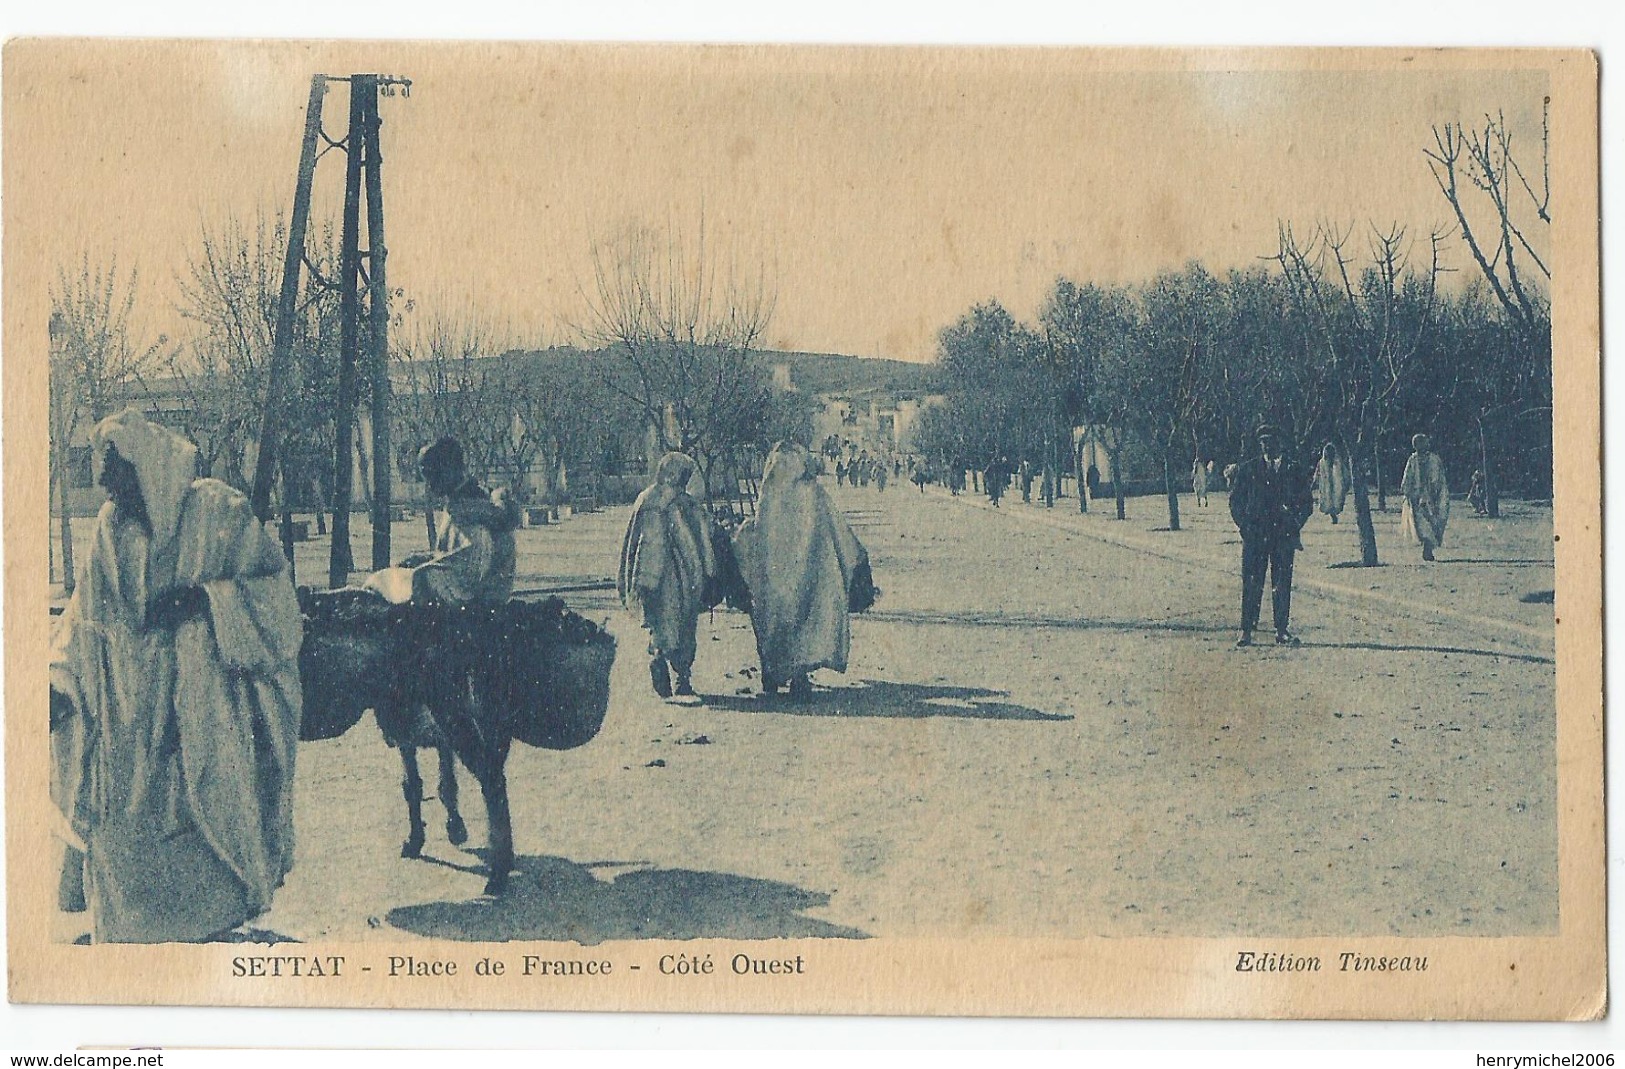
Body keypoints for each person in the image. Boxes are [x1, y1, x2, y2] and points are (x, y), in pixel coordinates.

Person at [50, 410, 302, 942]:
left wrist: (205, 600)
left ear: (144, 466)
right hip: (125, 709)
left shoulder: (216, 512)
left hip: (201, 702)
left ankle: (207, 927)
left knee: (201, 811)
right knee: (122, 824)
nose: (102, 481)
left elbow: (275, 594)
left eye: (112, 468)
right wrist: (61, 679)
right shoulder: (109, 532)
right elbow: (83, 613)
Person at [735, 442, 871, 697]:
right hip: (808, 574)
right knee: (804, 620)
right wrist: (856, 557)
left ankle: (771, 671)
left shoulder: (769, 492)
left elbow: (755, 534)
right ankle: (798, 675)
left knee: (771, 620)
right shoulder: (814, 494)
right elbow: (839, 529)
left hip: (772, 576)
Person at [366, 437, 519, 606]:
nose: (430, 486)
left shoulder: (472, 506)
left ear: (451, 469)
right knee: (390, 577)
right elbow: (456, 555)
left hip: (484, 595)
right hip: (479, 589)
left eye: (434, 476)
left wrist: (428, 567)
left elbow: (473, 568)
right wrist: (424, 559)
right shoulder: (463, 502)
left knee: (405, 580)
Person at [618, 452, 718, 705]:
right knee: (682, 624)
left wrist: (636, 579)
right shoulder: (678, 504)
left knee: (662, 623)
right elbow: (697, 540)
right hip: (676, 578)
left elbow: (633, 543)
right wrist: (708, 570)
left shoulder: (648, 499)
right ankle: (680, 677)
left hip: (656, 577)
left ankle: (663, 659)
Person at [1228, 424, 1313, 648]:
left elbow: (1306, 503)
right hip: (1255, 536)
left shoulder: (1294, 470)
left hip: (1283, 536)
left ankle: (1281, 630)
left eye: (1271, 441)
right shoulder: (1249, 469)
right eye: (1263, 441)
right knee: (1251, 582)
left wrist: (1295, 523)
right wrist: (1244, 526)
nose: (1267, 445)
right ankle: (1246, 630)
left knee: (1282, 582)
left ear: (1280, 443)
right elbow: (1235, 500)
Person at [1401, 433, 1450, 562]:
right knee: (1421, 525)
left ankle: (1429, 547)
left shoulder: (1434, 459)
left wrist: (1435, 493)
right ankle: (1427, 548)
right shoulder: (1412, 460)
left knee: (1435, 522)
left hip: (1435, 497)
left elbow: (1438, 478)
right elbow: (1407, 479)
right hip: (1417, 499)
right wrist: (1410, 493)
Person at [1313, 441, 1350, 525]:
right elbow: (1317, 473)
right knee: (1329, 502)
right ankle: (1333, 516)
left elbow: (1345, 473)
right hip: (1326, 486)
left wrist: (1346, 483)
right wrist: (1315, 482)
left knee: (1336, 502)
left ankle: (1334, 515)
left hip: (1337, 485)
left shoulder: (1338, 462)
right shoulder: (1322, 463)